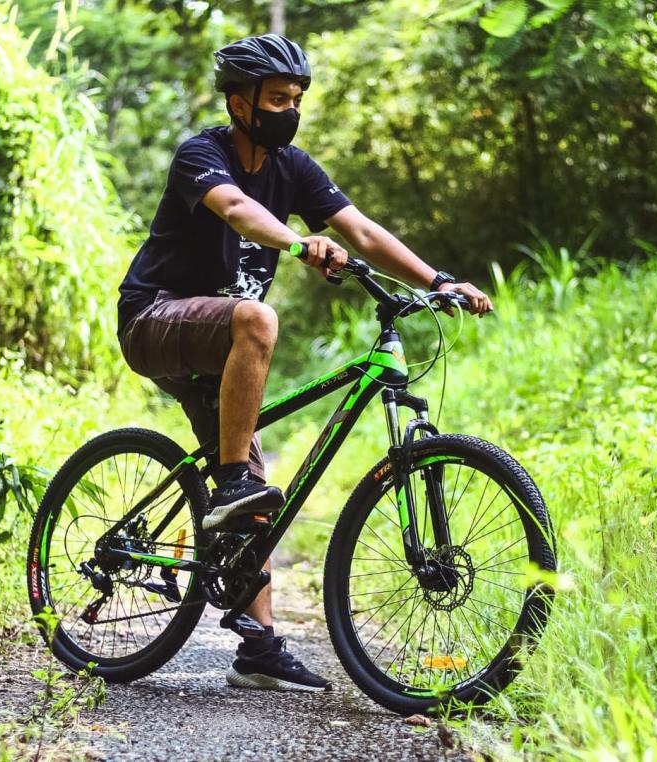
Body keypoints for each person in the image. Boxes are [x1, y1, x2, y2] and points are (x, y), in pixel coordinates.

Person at [116, 33, 492, 692]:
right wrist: (299, 242)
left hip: (218, 344)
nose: (289, 109)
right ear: (239, 102)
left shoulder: (294, 166)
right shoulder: (201, 154)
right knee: (256, 323)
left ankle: (257, 649)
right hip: (155, 317)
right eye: (276, 98)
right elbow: (235, 209)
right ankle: (229, 482)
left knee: (255, 494)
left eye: (295, 98)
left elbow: (364, 232)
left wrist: (437, 281)